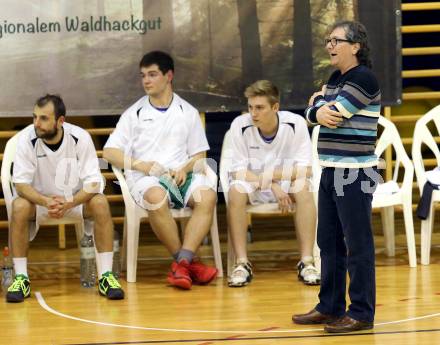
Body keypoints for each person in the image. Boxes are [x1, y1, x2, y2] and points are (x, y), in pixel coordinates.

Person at [292, 21, 381, 333]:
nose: (329, 45)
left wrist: (316, 106)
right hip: (331, 169)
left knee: (358, 245)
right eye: (327, 40)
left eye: (336, 40)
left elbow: (334, 113)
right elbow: (315, 114)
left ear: (355, 46)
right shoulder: (334, 78)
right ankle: (330, 306)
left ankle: (361, 313)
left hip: (355, 173)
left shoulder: (364, 79)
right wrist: (316, 108)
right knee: (327, 241)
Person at [103, 51, 218, 290]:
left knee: (207, 195)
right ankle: (187, 263)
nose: (146, 80)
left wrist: (186, 168)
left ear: (169, 76)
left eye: (152, 74)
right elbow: (109, 153)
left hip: (181, 177)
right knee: (157, 197)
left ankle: (182, 265)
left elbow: (200, 156)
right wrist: (139, 164)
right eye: (143, 75)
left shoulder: (187, 112)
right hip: (146, 179)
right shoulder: (133, 114)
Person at [7, 94, 124, 303]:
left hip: (75, 202)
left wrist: (70, 202)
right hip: (40, 203)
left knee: (100, 202)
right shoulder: (26, 139)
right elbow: (21, 184)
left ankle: (106, 276)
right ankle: (21, 278)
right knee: (18, 206)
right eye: (34, 117)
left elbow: (94, 183)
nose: (36, 123)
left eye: (43, 118)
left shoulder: (80, 138)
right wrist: (45, 201)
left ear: (60, 121)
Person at [226, 80, 320, 287]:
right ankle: (241, 263)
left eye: (259, 108)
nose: (253, 113)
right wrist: (271, 184)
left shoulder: (296, 124)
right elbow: (238, 171)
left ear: (275, 107)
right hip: (254, 184)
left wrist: (272, 175)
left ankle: (307, 262)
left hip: (286, 183)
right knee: (235, 191)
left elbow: (305, 169)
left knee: (303, 187)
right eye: (250, 107)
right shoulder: (239, 125)